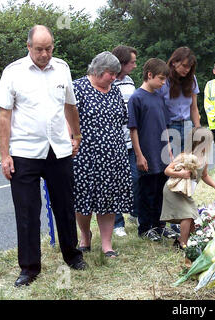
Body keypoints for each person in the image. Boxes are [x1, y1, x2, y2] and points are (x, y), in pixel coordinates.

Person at [0, 25, 87, 287]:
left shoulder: (62, 68)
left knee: (65, 205)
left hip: (58, 149)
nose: (44, 54)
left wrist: (76, 135)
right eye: (39, 49)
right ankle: (29, 267)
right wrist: (5, 155)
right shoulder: (13, 73)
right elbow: (4, 115)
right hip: (24, 152)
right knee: (27, 211)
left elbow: (70, 105)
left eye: (49, 48)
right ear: (28, 47)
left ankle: (72, 255)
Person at [73, 51, 133, 258]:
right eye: (111, 74)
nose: (114, 78)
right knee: (83, 201)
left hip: (114, 154)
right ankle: (85, 236)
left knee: (108, 200)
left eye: (116, 74)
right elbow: (66, 119)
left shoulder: (115, 91)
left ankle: (107, 244)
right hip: (85, 155)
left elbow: (122, 119)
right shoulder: (77, 88)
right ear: (98, 71)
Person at [128, 58, 173, 242]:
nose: (163, 83)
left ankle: (159, 225)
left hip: (162, 153)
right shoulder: (136, 98)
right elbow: (133, 129)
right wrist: (139, 155)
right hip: (147, 154)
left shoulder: (159, 97)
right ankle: (145, 227)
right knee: (147, 192)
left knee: (162, 191)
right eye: (161, 79)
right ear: (149, 75)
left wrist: (169, 151)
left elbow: (165, 127)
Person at [160, 127, 215, 249]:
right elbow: (167, 170)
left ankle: (193, 240)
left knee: (193, 218)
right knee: (187, 215)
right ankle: (182, 244)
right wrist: (180, 174)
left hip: (185, 192)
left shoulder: (204, 160)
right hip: (174, 191)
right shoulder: (185, 156)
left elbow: (204, 175)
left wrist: (214, 184)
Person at [111, 45, 139, 237]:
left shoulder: (129, 81)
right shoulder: (109, 82)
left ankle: (135, 213)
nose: (135, 66)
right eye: (132, 62)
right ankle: (117, 222)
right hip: (115, 141)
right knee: (116, 182)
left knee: (136, 178)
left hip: (132, 139)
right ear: (121, 63)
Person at [159, 46, 201, 156]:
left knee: (189, 162)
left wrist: (198, 129)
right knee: (173, 164)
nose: (187, 70)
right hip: (170, 126)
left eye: (190, 67)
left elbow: (194, 107)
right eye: (184, 66)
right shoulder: (164, 80)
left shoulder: (192, 79)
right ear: (174, 62)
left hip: (187, 125)